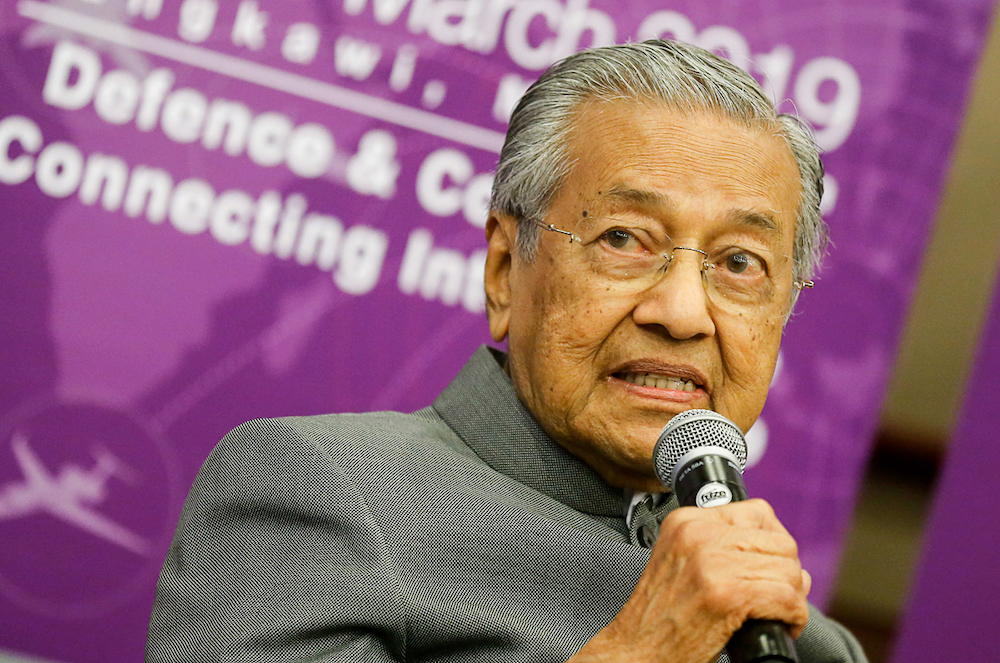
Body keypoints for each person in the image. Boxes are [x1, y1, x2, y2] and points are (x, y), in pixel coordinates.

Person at [147, 40, 866, 663]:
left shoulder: (806, 643)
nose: (682, 313)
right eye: (623, 238)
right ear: (502, 268)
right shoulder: (321, 492)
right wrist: (646, 646)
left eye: (740, 262)